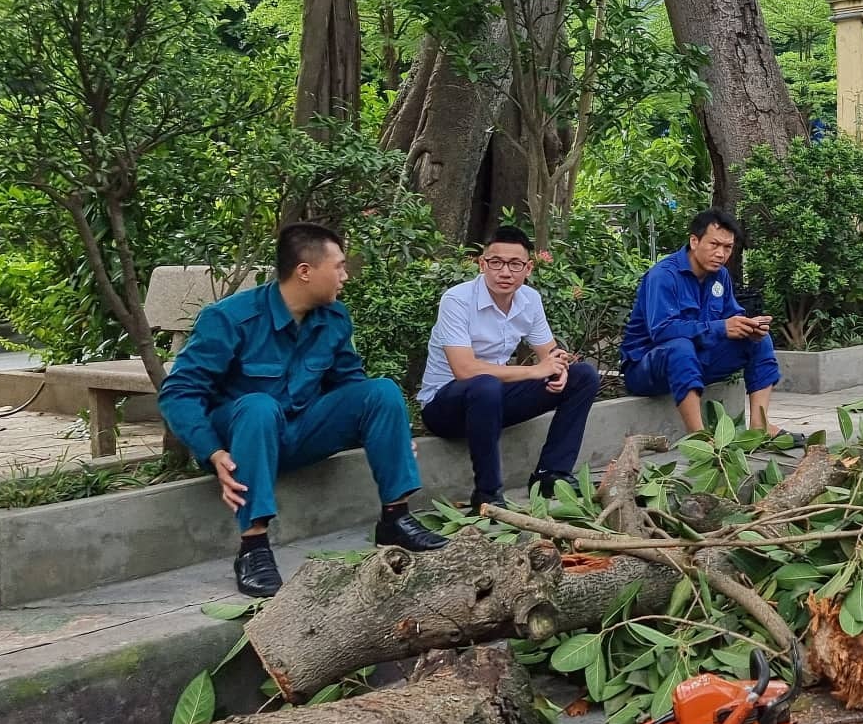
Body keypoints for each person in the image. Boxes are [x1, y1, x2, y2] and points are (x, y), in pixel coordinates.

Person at [160, 223, 445, 600]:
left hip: (301, 432)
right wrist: (212, 452)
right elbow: (178, 391)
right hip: (245, 444)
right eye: (339, 266)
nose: (345, 276)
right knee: (259, 407)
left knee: (382, 392)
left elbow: (350, 386)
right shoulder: (230, 319)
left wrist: (389, 432)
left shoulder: (334, 318)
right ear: (305, 272)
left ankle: (396, 519)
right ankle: (254, 548)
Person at [418, 225, 602, 515]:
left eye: (515, 264)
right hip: (445, 407)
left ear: (528, 268)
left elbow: (550, 353)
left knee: (583, 377)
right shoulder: (456, 299)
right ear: (482, 264)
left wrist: (559, 368)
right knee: (484, 384)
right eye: (496, 263)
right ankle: (488, 494)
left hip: (492, 402)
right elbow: (464, 370)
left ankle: (551, 474)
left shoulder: (529, 299)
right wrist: (534, 371)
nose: (505, 272)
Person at [621, 209, 786, 436]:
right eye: (714, 245)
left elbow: (732, 316)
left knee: (760, 341)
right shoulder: (663, 276)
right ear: (694, 241)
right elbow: (662, 331)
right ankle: (699, 438)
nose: (721, 254)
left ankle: (760, 425)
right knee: (680, 347)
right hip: (646, 369)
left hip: (697, 360)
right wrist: (721, 327)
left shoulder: (721, 276)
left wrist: (750, 327)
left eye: (727, 247)